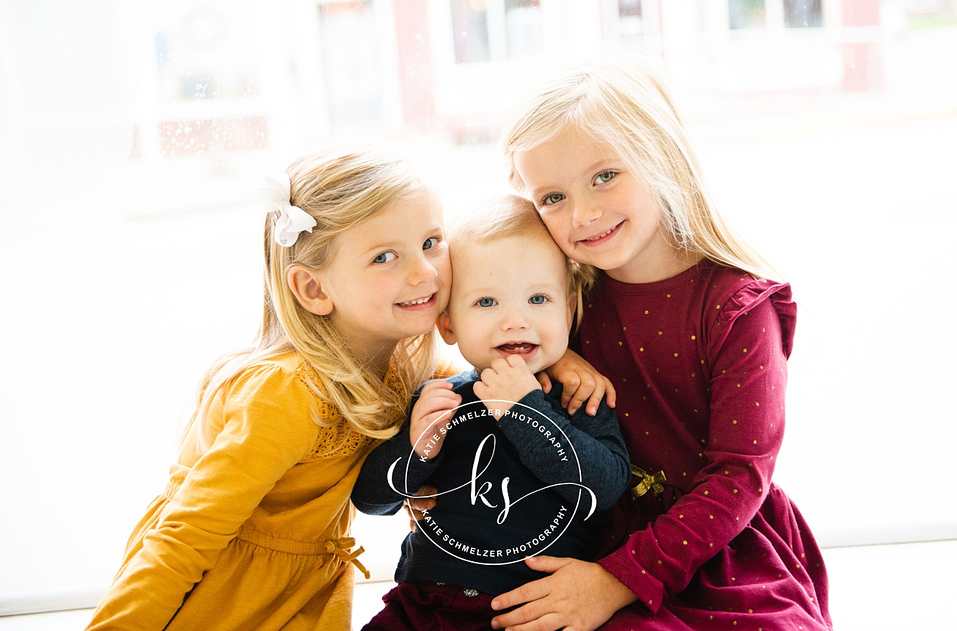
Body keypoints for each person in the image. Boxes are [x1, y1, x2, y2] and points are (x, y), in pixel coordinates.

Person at [490, 54, 833, 630]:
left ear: (660, 157)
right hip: (586, 535)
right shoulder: (555, 305)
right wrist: (553, 354)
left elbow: (739, 476)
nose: (585, 212)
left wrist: (617, 581)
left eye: (605, 176)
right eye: (552, 197)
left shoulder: (737, 308)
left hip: (719, 548)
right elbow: (487, 365)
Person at [86, 148, 456, 630]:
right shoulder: (285, 394)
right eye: (384, 256)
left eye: (431, 241)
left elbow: (492, 383)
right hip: (220, 601)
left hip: (305, 599)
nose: (424, 272)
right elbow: (185, 536)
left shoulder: (411, 367)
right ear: (314, 290)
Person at [353, 194, 630, 631]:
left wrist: (526, 411)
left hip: (526, 611)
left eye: (538, 299)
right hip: (421, 602)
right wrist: (417, 446)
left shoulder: (578, 396)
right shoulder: (442, 399)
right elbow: (373, 500)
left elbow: (602, 490)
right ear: (448, 324)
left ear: (570, 308)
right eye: (486, 303)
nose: (515, 321)